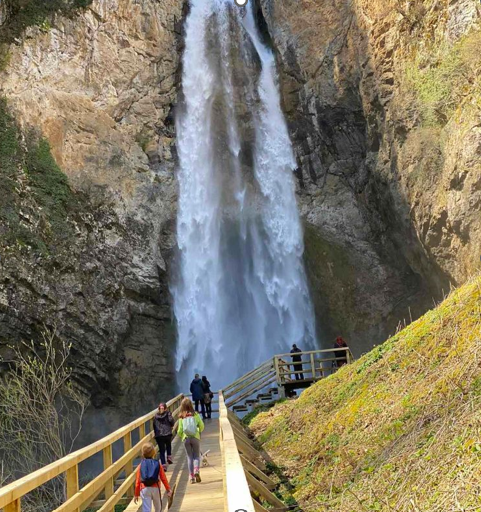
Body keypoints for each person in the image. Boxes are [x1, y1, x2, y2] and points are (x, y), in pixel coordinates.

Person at [134, 442, 172, 512]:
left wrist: (136, 494)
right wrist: (168, 489)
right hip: (156, 488)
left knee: (146, 509)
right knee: (158, 508)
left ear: (142, 454)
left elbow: (137, 481)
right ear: (154, 453)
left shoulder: (141, 465)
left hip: (144, 489)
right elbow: (163, 478)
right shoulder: (157, 464)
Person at [178, 397, 205, 484]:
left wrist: (182, 436)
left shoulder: (181, 416)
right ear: (191, 405)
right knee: (196, 456)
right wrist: (198, 431)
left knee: (189, 457)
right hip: (195, 437)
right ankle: (196, 470)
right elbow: (201, 426)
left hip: (186, 439)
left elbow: (179, 430)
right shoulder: (195, 414)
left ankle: (191, 477)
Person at [153, 402, 175, 471]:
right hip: (167, 433)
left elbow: (154, 425)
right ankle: (169, 457)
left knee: (161, 450)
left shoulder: (156, 416)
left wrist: (156, 433)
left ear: (158, 409)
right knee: (168, 445)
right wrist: (171, 426)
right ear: (166, 408)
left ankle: (163, 465)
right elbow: (171, 421)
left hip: (159, 435)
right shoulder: (168, 413)